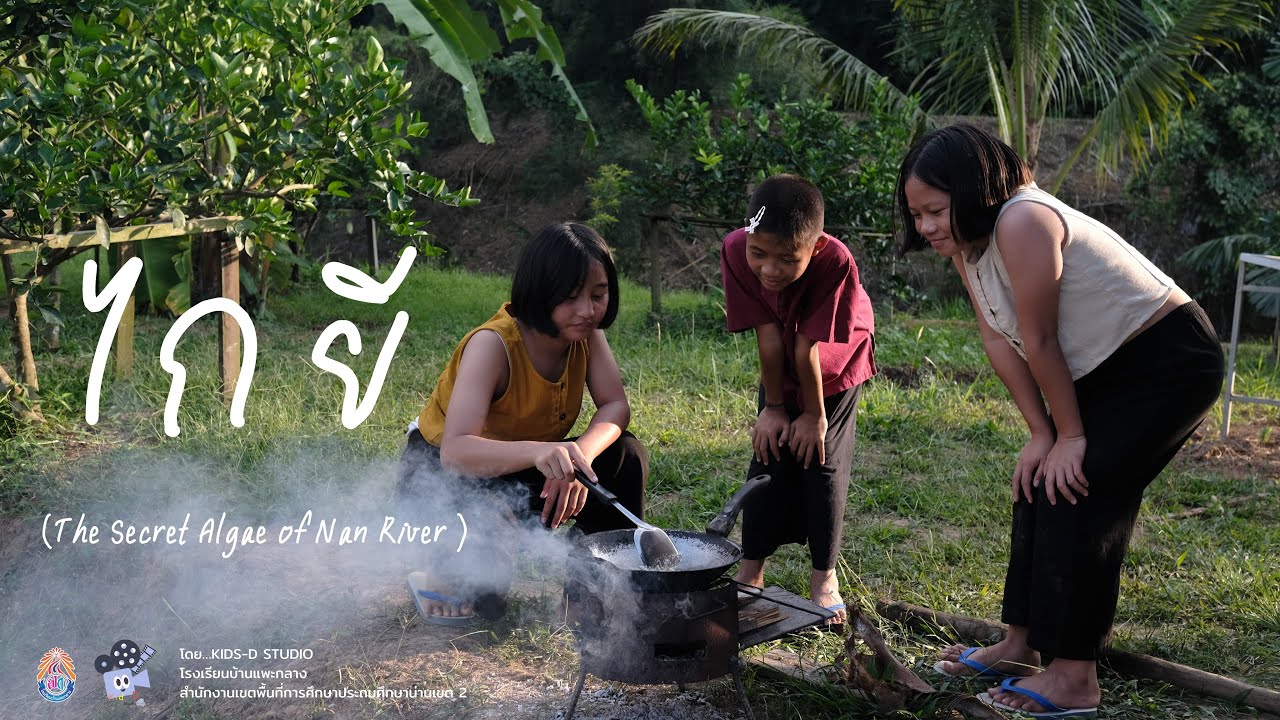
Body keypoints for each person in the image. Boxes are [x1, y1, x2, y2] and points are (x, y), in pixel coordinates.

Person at [897, 124, 1224, 718]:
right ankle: (1021, 645)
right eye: (917, 215)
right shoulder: (969, 245)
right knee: (1038, 481)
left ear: (974, 190)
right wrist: (1042, 434)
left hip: (1166, 361)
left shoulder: (1023, 220)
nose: (925, 228)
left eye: (935, 211)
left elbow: (1042, 338)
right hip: (1100, 369)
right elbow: (999, 337)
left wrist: (1071, 437)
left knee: (1081, 490)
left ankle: (1074, 677)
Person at [397, 222, 648, 625]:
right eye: (570, 298)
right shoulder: (493, 345)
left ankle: (587, 589)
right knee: (482, 608)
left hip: (524, 466)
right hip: (442, 478)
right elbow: (456, 452)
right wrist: (543, 452)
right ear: (537, 292)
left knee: (625, 455)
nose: (587, 310)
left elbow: (615, 405)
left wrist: (576, 458)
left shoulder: (585, 334)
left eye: (598, 295)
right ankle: (441, 568)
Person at [720, 174, 878, 627]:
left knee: (820, 459)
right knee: (768, 451)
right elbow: (770, 340)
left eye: (788, 259)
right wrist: (773, 408)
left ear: (815, 249)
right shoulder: (735, 251)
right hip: (785, 356)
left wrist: (812, 415)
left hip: (833, 359)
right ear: (747, 237)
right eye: (760, 253)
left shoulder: (836, 263)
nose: (770, 269)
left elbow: (807, 348)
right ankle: (750, 574)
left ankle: (823, 578)